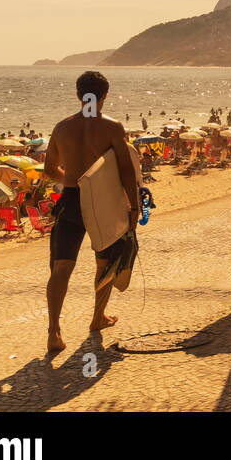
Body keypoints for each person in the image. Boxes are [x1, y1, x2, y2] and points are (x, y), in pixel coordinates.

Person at [43, 71, 141, 353]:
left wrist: (72, 180)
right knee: (105, 263)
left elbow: (50, 169)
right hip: (103, 201)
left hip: (71, 198)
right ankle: (97, 318)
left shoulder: (62, 128)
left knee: (61, 266)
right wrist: (133, 206)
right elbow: (125, 169)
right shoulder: (112, 127)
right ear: (105, 95)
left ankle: (54, 332)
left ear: (77, 94)